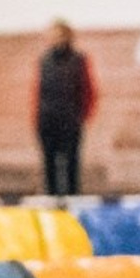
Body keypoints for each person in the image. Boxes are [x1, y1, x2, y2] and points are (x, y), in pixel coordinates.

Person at [34, 19, 97, 199]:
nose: (54, 39)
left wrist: (82, 117)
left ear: (67, 36)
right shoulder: (44, 61)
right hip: (47, 122)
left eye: (58, 35)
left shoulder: (79, 60)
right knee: (50, 169)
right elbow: (38, 92)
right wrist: (37, 119)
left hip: (70, 122)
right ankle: (51, 205)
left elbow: (88, 90)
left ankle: (72, 205)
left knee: (71, 168)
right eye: (51, 35)